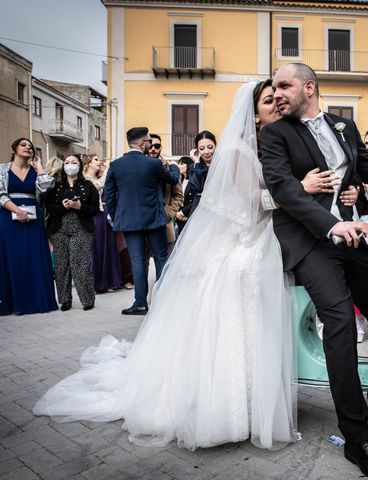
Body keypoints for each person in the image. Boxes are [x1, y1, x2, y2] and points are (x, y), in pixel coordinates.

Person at [34, 80, 298, 451]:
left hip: (257, 237)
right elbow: (252, 202)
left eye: (279, 99)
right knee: (229, 307)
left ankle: (252, 396)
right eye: (269, 101)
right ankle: (222, 402)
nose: (277, 105)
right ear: (253, 112)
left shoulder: (273, 143)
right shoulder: (238, 149)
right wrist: (298, 192)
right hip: (241, 239)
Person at [260, 63, 368, 480]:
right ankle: (357, 439)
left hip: (351, 235)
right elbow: (284, 190)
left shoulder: (344, 126)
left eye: (283, 85)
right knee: (341, 322)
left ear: (308, 88)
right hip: (311, 242)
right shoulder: (274, 134)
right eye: (273, 87)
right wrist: (331, 226)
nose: (276, 93)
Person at [103, 127, 180, 315]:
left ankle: (140, 304)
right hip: (154, 218)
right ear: (141, 143)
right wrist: (175, 166)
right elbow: (172, 178)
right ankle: (163, 300)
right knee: (161, 258)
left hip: (128, 220)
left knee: (137, 261)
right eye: (148, 141)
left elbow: (109, 196)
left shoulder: (116, 165)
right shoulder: (152, 164)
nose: (150, 144)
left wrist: (117, 216)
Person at [0, 138, 57, 316]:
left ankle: (37, 301)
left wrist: (39, 166)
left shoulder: (35, 170)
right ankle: (13, 303)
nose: (28, 148)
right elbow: (0, 194)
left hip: (34, 218)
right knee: (13, 258)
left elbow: (47, 188)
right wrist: (17, 210)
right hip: (8, 217)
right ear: (14, 148)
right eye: (23, 145)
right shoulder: (2, 169)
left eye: (30, 146)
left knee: (35, 258)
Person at [46, 154, 100, 311]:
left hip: (81, 228)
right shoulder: (56, 186)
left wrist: (79, 206)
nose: (70, 165)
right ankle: (65, 300)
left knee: (81, 264)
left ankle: (87, 299)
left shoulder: (88, 186)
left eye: (74, 162)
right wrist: (63, 206)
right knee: (61, 265)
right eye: (67, 162)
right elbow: (50, 208)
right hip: (59, 229)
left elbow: (95, 209)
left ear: (80, 166)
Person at [84, 154, 122, 293]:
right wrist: (107, 170)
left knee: (109, 246)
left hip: (105, 213)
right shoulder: (86, 178)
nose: (99, 162)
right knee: (98, 247)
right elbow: (98, 187)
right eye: (95, 159)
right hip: (95, 215)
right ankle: (98, 283)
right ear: (87, 163)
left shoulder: (96, 177)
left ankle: (110, 280)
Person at [148, 133, 183, 253]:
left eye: (156, 146)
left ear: (161, 148)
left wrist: (169, 212)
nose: (153, 148)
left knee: (165, 264)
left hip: (164, 223)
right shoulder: (139, 167)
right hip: (143, 224)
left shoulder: (169, 168)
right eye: (151, 145)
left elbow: (178, 195)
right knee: (141, 264)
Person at [176, 130, 216, 223]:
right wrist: (197, 162)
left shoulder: (222, 165)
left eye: (210, 147)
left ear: (215, 146)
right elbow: (198, 187)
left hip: (218, 213)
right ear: (197, 150)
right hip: (199, 215)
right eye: (202, 148)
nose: (206, 151)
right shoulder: (194, 167)